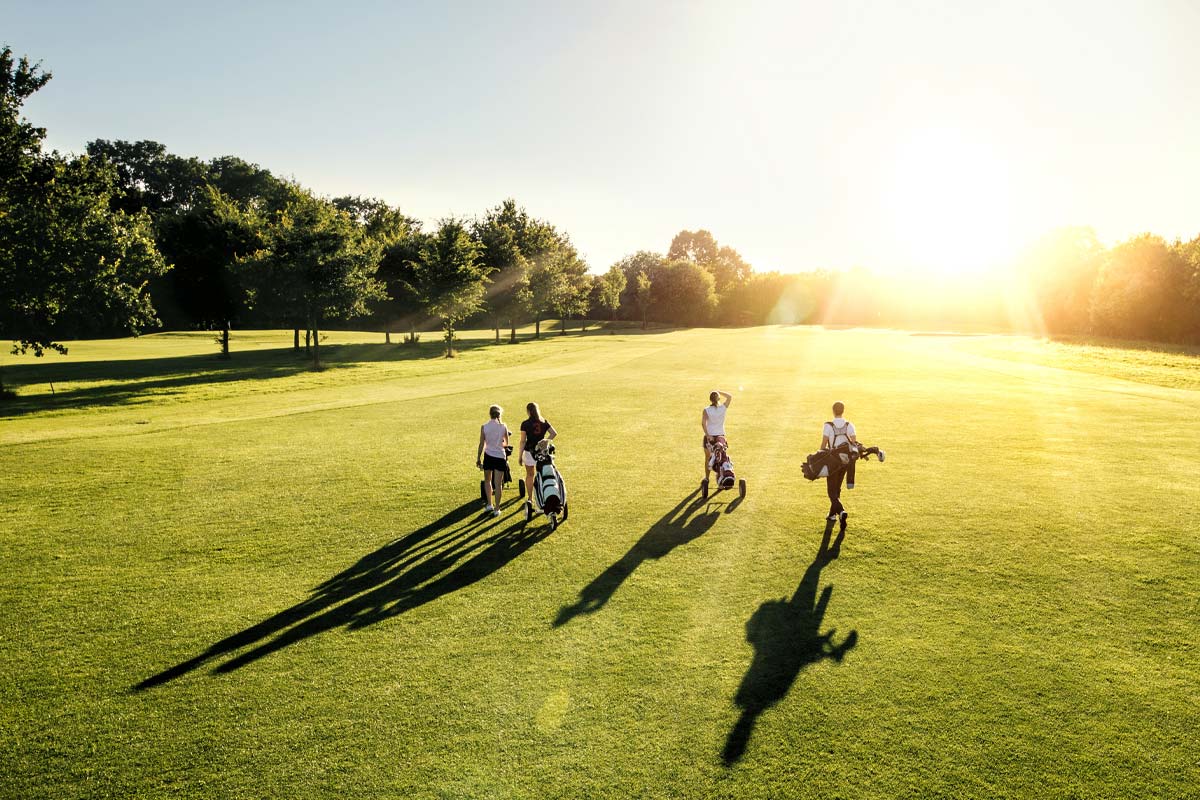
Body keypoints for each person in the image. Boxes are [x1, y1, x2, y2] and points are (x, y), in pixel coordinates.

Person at [820, 401, 857, 531]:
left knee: (831, 491)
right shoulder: (849, 425)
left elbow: (823, 446)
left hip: (832, 462)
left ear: (833, 411)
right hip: (845, 462)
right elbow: (854, 443)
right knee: (837, 489)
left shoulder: (828, 426)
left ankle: (841, 511)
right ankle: (832, 515)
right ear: (843, 411)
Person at [518, 402, 557, 503]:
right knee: (542, 474)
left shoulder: (525, 424)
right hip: (542, 452)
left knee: (530, 475)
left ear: (528, 411)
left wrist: (520, 456)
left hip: (529, 452)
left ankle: (530, 498)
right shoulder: (543, 421)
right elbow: (553, 433)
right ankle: (544, 496)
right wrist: (546, 441)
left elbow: (523, 441)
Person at [476, 405, 509, 517]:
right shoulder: (503, 426)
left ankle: (490, 504)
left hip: (488, 456)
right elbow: (506, 443)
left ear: (490, 414)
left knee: (487, 481)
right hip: (500, 456)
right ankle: (497, 508)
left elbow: (481, 444)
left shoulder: (484, 427)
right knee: (498, 484)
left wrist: (478, 458)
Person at [701, 389, 733, 482]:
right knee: (721, 457)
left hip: (709, 436)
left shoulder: (706, 410)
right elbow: (729, 396)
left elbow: (703, 423)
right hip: (720, 437)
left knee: (708, 458)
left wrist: (707, 435)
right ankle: (721, 476)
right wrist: (719, 391)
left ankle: (707, 478)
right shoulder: (723, 408)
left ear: (710, 399)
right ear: (718, 398)